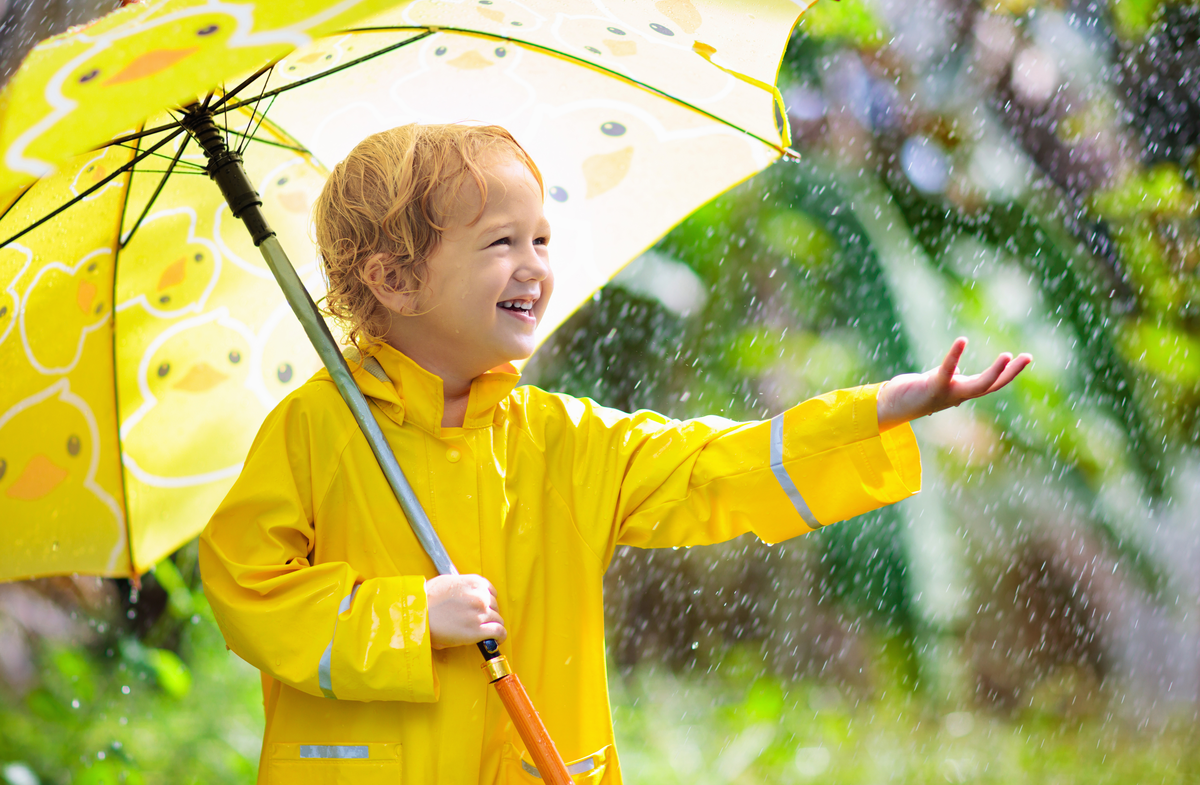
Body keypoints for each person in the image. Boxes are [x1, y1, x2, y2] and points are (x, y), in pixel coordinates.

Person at [199, 123, 1030, 784]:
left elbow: (709, 467)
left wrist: (878, 411)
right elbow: (248, 589)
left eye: (542, 240)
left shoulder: (561, 437)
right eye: (500, 244)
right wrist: (409, 619)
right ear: (396, 280)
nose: (535, 266)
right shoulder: (313, 432)